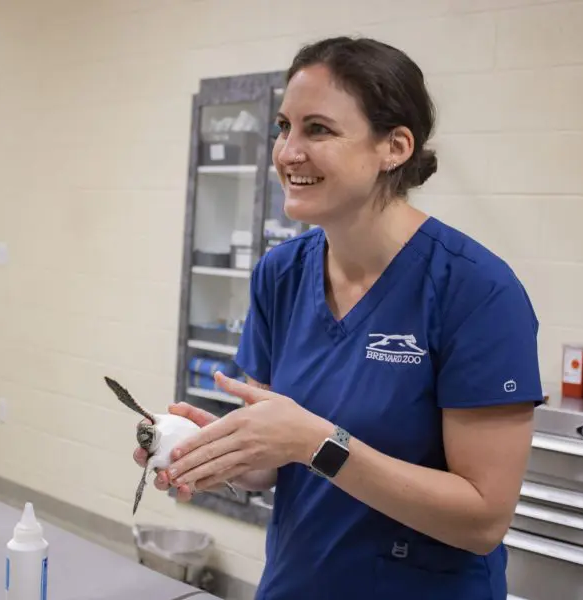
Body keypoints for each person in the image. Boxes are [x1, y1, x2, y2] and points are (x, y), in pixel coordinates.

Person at [134, 36, 543, 600]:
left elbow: (482, 520)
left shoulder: (475, 292)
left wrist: (316, 442)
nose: (287, 152)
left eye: (317, 130)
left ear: (394, 146)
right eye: (284, 126)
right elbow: (271, 464)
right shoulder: (281, 275)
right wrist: (213, 453)